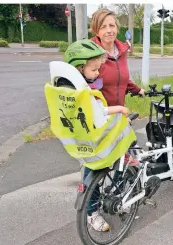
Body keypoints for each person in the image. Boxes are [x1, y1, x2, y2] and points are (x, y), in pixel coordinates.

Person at [61, 39, 132, 232]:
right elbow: (99, 111)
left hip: (82, 139)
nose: (98, 73)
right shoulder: (85, 93)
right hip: (97, 136)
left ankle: (112, 200)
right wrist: (121, 109)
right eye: (94, 70)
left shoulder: (65, 89)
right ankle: (92, 212)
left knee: (112, 162)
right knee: (99, 167)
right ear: (79, 69)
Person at [89, 8, 145, 166]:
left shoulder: (121, 51)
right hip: (99, 115)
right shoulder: (91, 53)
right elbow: (84, 82)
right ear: (96, 30)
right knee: (96, 161)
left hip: (118, 115)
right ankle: (90, 191)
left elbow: (122, 77)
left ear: (117, 28)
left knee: (122, 159)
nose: (109, 31)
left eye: (111, 26)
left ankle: (121, 187)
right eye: (103, 27)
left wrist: (137, 89)